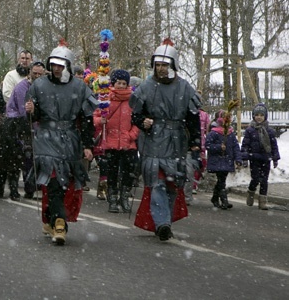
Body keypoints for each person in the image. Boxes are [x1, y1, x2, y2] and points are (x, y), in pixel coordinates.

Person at [25, 40, 97, 245]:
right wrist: (31, 111)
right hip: (46, 138)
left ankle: (52, 217)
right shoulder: (39, 85)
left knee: (65, 183)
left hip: (70, 139)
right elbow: (34, 116)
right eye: (54, 64)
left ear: (67, 65)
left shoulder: (80, 87)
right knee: (53, 179)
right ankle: (59, 222)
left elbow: (87, 119)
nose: (56, 69)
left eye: (60, 65)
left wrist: (87, 145)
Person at [129, 38, 201, 241]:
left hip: (177, 141)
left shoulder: (185, 88)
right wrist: (143, 121)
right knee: (158, 181)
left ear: (173, 64)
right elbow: (135, 114)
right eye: (158, 64)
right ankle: (162, 224)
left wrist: (196, 143)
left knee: (172, 183)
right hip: (153, 141)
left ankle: (164, 220)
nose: (160, 68)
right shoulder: (146, 86)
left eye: (164, 64)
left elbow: (193, 118)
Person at [94, 69, 139, 213]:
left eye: (123, 83)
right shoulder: (105, 98)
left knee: (128, 172)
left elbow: (137, 121)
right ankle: (112, 198)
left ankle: (124, 197)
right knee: (112, 172)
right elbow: (95, 117)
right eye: (118, 82)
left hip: (128, 143)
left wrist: (131, 135)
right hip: (111, 142)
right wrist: (100, 121)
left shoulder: (132, 101)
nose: (120, 85)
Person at [6, 61, 46, 199]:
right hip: (20, 124)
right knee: (27, 155)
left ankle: (35, 183)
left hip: (38, 125)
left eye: (40, 74)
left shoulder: (44, 86)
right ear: (30, 72)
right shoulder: (22, 87)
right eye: (34, 73)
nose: (37, 76)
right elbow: (25, 112)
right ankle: (29, 186)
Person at [242, 103, 280, 210]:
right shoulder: (250, 130)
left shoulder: (270, 131)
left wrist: (275, 158)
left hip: (266, 158)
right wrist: (245, 158)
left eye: (261, 115)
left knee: (264, 180)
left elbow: (273, 145)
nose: (259, 117)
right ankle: (251, 192)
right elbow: (245, 144)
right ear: (253, 116)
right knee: (255, 178)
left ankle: (262, 201)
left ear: (265, 117)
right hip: (254, 158)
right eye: (257, 115)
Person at [205, 109, 242, 210]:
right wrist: (218, 147)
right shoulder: (213, 133)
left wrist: (238, 159)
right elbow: (208, 145)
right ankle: (224, 200)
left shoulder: (230, 133)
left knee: (221, 180)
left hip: (227, 160)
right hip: (217, 160)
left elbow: (235, 147)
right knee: (222, 180)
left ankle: (215, 198)